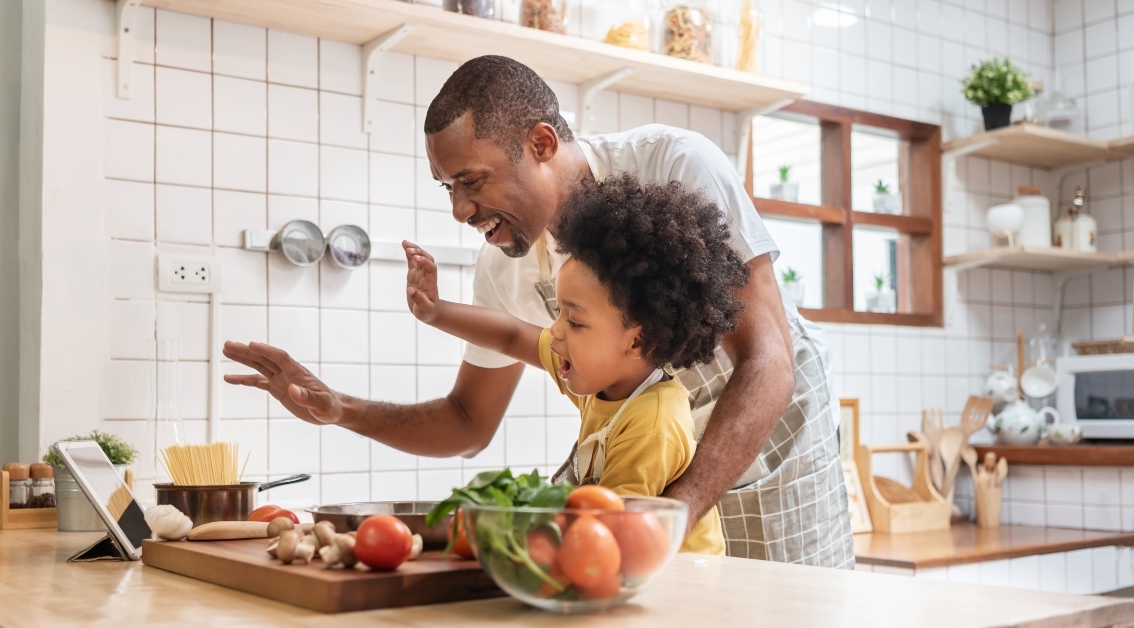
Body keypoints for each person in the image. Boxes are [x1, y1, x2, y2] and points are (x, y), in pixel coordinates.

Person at [224, 55, 854, 568]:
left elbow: (769, 357)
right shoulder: (504, 263)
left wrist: (680, 511)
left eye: (472, 181)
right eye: (448, 188)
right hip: (650, 487)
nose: (460, 212)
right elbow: (469, 420)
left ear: (542, 142)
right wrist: (339, 409)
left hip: (772, 452)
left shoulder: (673, 165)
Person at [405, 173, 747, 555]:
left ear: (636, 341)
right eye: (560, 312)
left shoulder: (652, 425)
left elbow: (613, 538)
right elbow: (512, 336)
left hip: (682, 594)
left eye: (575, 321)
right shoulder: (606, 376)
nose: (556, 330)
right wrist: (437, 312)